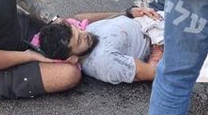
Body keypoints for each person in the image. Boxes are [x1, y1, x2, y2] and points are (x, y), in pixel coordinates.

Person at [30, 8, 164, 83]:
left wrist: (130, 12)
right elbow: (152, 72)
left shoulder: (86, 34)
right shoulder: (104, 62)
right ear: (73, 59)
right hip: (164, 39)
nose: (84, 34)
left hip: (154, 17)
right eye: (79, 41)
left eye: (77, 30)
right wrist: (158, 45)